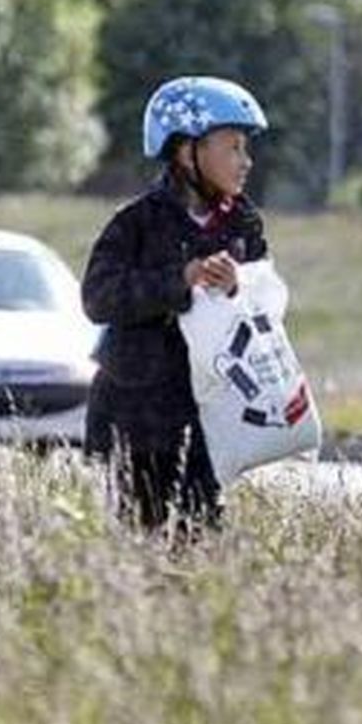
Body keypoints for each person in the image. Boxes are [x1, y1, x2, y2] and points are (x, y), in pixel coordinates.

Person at [81, 75, 270, 536]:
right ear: (187, 152)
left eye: (246, 149)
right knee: (141, 538)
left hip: (209, 412)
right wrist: (179, 281)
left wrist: (236, 289)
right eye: (233, 148)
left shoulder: (244, 222)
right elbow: (98, 297)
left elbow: (264, 305)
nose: (246, 162)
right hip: (136, 412)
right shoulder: (135, 223)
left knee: (199, 537)